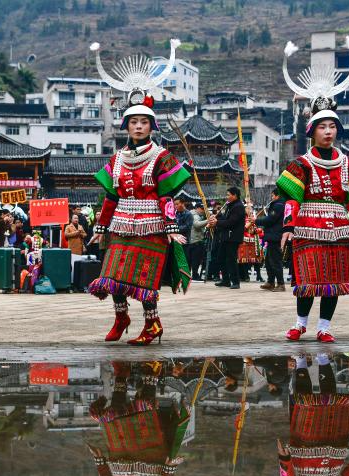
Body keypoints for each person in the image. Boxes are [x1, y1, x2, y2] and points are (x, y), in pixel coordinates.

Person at [86, 40, 191, 345]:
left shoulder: (161, 157)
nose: (139, 126)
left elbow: (166, 196)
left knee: (144, 280)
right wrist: (100, 227)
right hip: (120, 223)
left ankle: (152, 324)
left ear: (151, 125)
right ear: (126, 125)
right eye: (134, 122)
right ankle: (121, 317)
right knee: (114, 275)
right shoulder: (116, 158)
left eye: (144, 122)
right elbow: (111, 197)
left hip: (151, 225)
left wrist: (171, 229)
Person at [278, 37, 349, 343]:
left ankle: (325, 327)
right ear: (313, 131)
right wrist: (288, 228)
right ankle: (300, 323)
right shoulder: (302, 163)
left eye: (332, 126)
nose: (328, 131)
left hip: (339, 228)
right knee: (309, 279)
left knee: (333, 280)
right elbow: (293, 199)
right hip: (308, 226)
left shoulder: (347, 163)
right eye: (322, 127)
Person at [207, 187, 246, 288]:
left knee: (231, 259)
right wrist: (216, 218)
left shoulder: (238, 207)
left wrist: (217, 222)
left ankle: (235, 282)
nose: (227, 196)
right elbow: (225, 219)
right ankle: (225, 280)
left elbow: (232, 222)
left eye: (229, 195)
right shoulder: (230, 205)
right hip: (226, 236)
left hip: (233, 237)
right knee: (220, 258)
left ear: (235, 195)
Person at [257, 189, 286, 291]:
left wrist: (256, 220)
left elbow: (270, 220)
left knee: (275, 261)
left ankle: (281, 284)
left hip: (275, 236)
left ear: (277, 196)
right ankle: (270, 282)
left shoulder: (278, 205)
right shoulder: (277, 204)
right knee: (269, 261)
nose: (271, 197)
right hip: (272, 235)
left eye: (273, 195)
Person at [186, 201, 207, 281]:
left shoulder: (195, 215)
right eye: (202, 209)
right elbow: (197, 225)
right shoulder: (195, 215)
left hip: (193, 241)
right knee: (195, 260)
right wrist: (208, 220)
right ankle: (195, 275)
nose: (203, 210)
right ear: (197, 208)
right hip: (196, 241)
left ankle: (190, 275)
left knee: (192, 260)